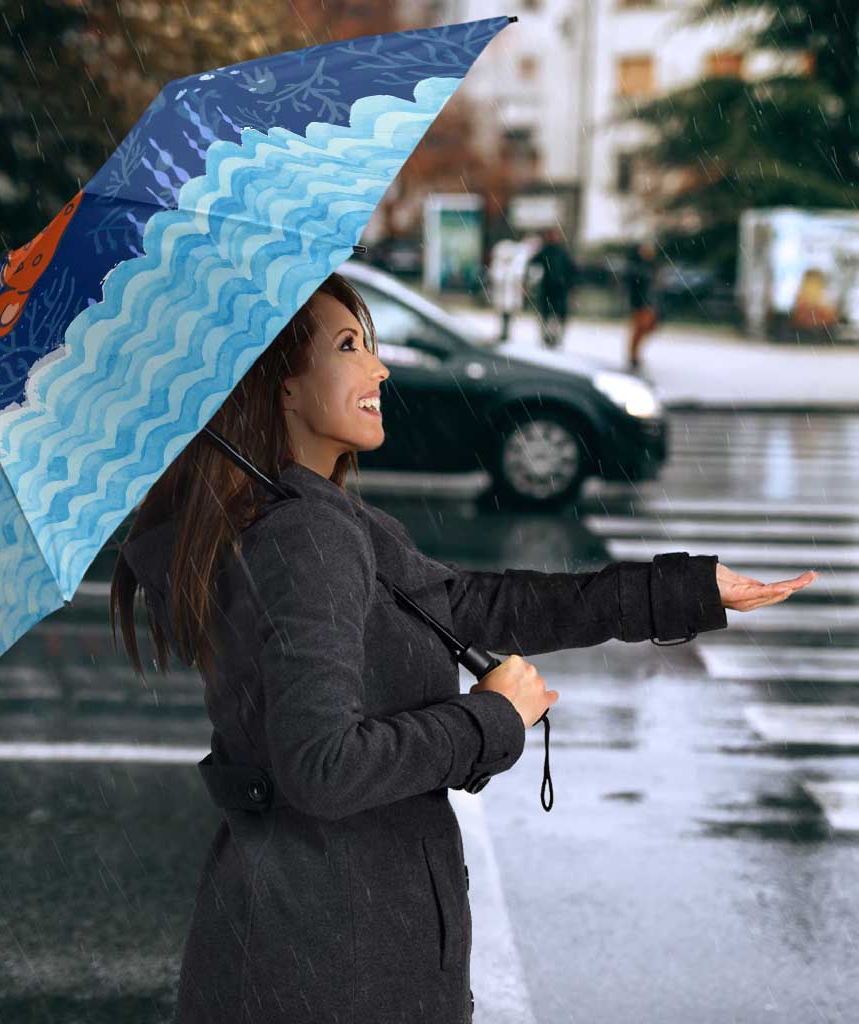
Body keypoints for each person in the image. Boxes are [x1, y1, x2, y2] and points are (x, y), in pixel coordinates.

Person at [110, 271, 808, 1024]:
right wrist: (491, 719)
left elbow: (474, 605)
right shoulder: (303, 536)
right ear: (280, 385)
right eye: (350, 346)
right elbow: (323, 768)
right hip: (333, 963)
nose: (379, 368)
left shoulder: (308, 518)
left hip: (311, 944)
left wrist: (686, 591)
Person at [527, 226, 577, 349]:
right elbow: (533, 264)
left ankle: (554, 337)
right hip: (550, 288)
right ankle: (548, 337)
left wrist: (570, 284)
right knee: (548, 314)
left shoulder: (560, 252)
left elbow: (571, 270)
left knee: (555, 315)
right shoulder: (547, 251)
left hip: (558, 288)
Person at [625, 239, 661, 370]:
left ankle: (634, 354)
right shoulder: (637, 267)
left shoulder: (652, 266)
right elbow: (634, 286)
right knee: (639, 329)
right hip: (640, 303)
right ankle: (633, 355)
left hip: (649, 303)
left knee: (647, 328)